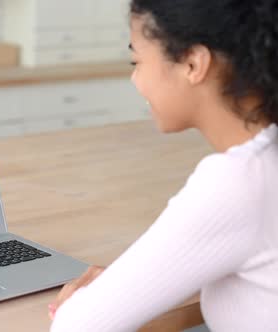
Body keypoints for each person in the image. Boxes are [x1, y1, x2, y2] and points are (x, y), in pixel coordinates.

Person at [49, 1, 278, 331]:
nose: (134, 79)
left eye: (137, 61)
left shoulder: (238, 181)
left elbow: (78, 325)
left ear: (192, 63)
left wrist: (92, 297)